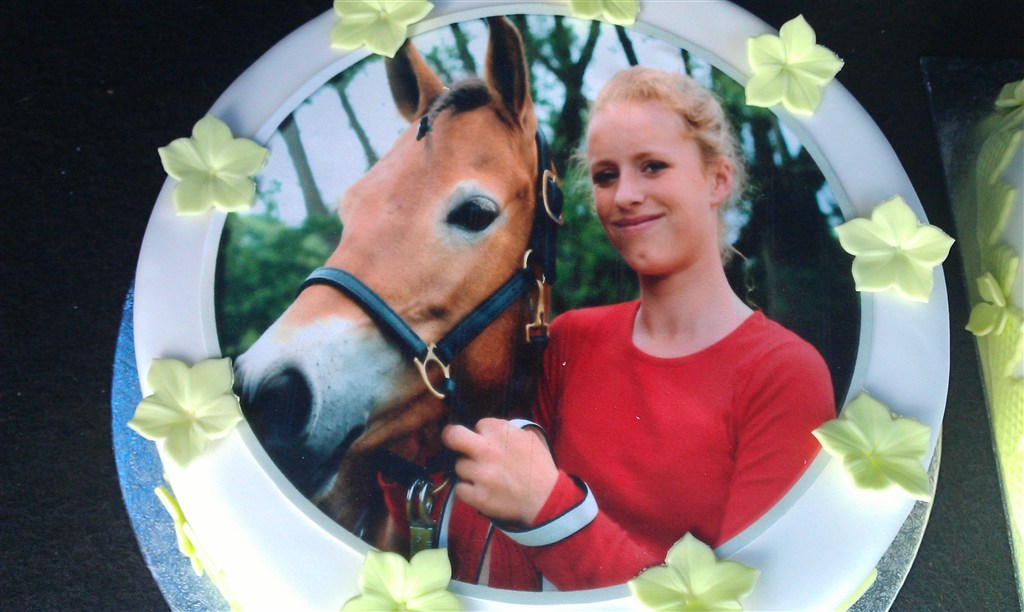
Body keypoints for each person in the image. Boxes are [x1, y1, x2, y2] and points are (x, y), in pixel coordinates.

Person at [386, 66, 835, 591]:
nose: (625, 195)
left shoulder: (786, 373)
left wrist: (554, 512)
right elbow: (492, 534)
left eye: (652, 166)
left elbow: (759, 599)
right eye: (605, 176)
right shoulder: (572, 340)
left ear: (718, 179)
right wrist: (404, 455)